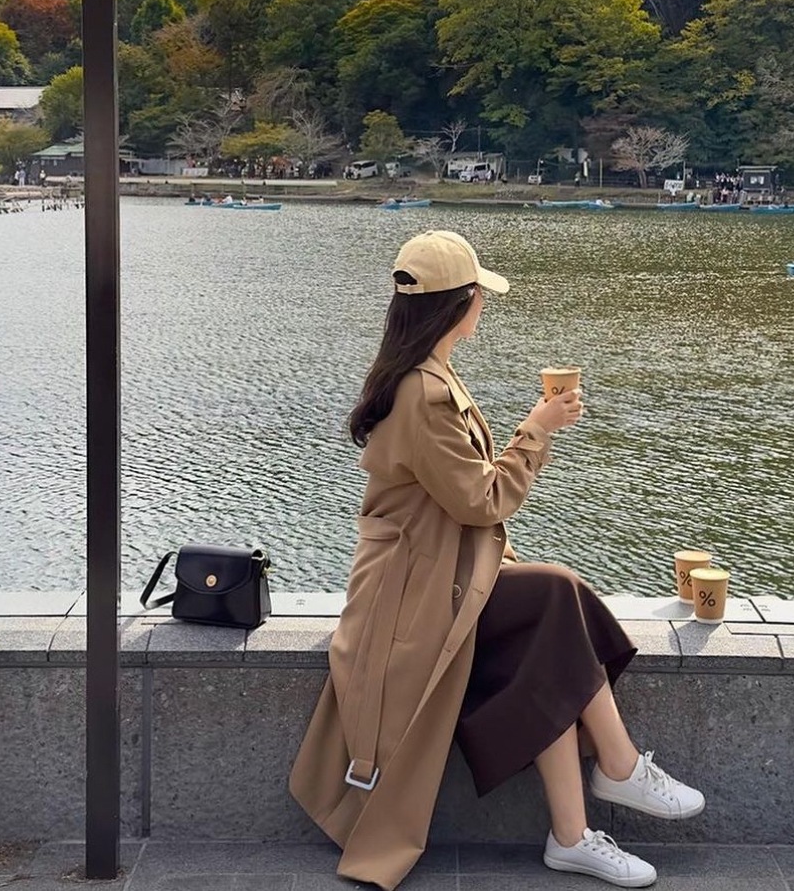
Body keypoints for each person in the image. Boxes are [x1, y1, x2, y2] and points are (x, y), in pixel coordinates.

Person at [291, 230, 703, 890]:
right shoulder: (424, 393)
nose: (484, 304)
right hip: (415, 596)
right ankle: (618, 768)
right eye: (479, 294)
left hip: (433, 576)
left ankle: (574, 834)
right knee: (557, 594)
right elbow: (481, 501)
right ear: (459, 305)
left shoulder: (425, 374)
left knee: (549, 638)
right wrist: (537, 429)